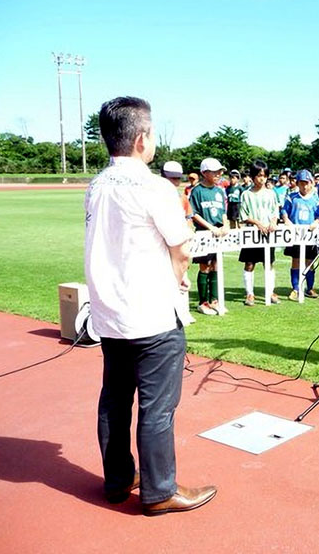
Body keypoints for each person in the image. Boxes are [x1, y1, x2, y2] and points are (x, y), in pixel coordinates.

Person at [85, 96, 216, 516]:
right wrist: (177, 281)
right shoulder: (154, 186)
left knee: (116, 399)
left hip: (109, 313)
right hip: (151, 313)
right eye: (153, 132)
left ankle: (118, 480)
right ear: (142, 138)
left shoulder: (97, 183)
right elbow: (181, 248)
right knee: (157, 407)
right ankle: (159, 491)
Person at [188, 157, 228, 315]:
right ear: (204, 173)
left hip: (219, 233)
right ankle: (203, 302)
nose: (218, 174)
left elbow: (223, 211)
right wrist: (210, 227)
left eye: (220, 171)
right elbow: (194, 214)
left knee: (216, 265)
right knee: (204, 266)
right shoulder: (197, 191)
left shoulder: (219, 190)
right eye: (215, 172)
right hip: (204, 233)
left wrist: (225, 225)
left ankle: (214, 300)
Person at [239, 160, 280, 306]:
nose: (261, 178)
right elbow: (243, 216)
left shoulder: (271, 194)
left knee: (268, 263)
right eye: (258, 175)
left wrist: (274, 222)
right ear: (252, 176)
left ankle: (270, 292)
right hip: (252, 235)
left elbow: (275, 211)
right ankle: (250, 293)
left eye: (264, 175)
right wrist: (257, 223)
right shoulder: (246, 194)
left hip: (268, 235)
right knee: (249, 264)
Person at [160, 161, 196, 326]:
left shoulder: (182, 197)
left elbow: (189, 218)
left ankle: (184, 313)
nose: (175, 182)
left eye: (178, 178)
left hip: (180, 242)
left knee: (183, 275)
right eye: (172, 178)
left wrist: (188, 234)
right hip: (162, 245)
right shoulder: (156, 196)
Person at [282, 169, 319, 300]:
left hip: (310, 236)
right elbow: (284, 211)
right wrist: (287, 220)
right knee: (296, 261)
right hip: (295, 235)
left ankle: (309, 288)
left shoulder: (315, 199)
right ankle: (295, 288)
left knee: (309, 262)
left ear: (311, 183)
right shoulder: (292, 197)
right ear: (297, 183)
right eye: (301, 183)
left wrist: (316, 222)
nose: (304, 186)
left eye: (307, 183)